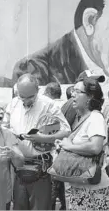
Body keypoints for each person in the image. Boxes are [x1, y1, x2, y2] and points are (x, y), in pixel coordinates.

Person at [6, 73, 70, 210]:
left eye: (30, 97)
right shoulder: (13, 104)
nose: (26, 101)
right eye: (22, 96)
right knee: (19, 206)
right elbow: (4, 128)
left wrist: (43, 138)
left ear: (38, 90)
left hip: (41, 166)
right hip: (17, 167)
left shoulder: (48, 105)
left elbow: (66, 131)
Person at [56, 77, 109, 210]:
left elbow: (95, 146)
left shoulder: (95, 117)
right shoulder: (82, 118)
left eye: (77, 91)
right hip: (80, 186)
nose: (72, 94)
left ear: (90, 96)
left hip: (93, 190)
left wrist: (69, 146)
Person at [44, 82, 67, 210]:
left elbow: (47, 132)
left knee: (52, 187)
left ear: (48, 94)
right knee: (64, 186)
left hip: (53, 154)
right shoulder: (68, 105)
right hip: (67, 153)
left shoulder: (48, 108)